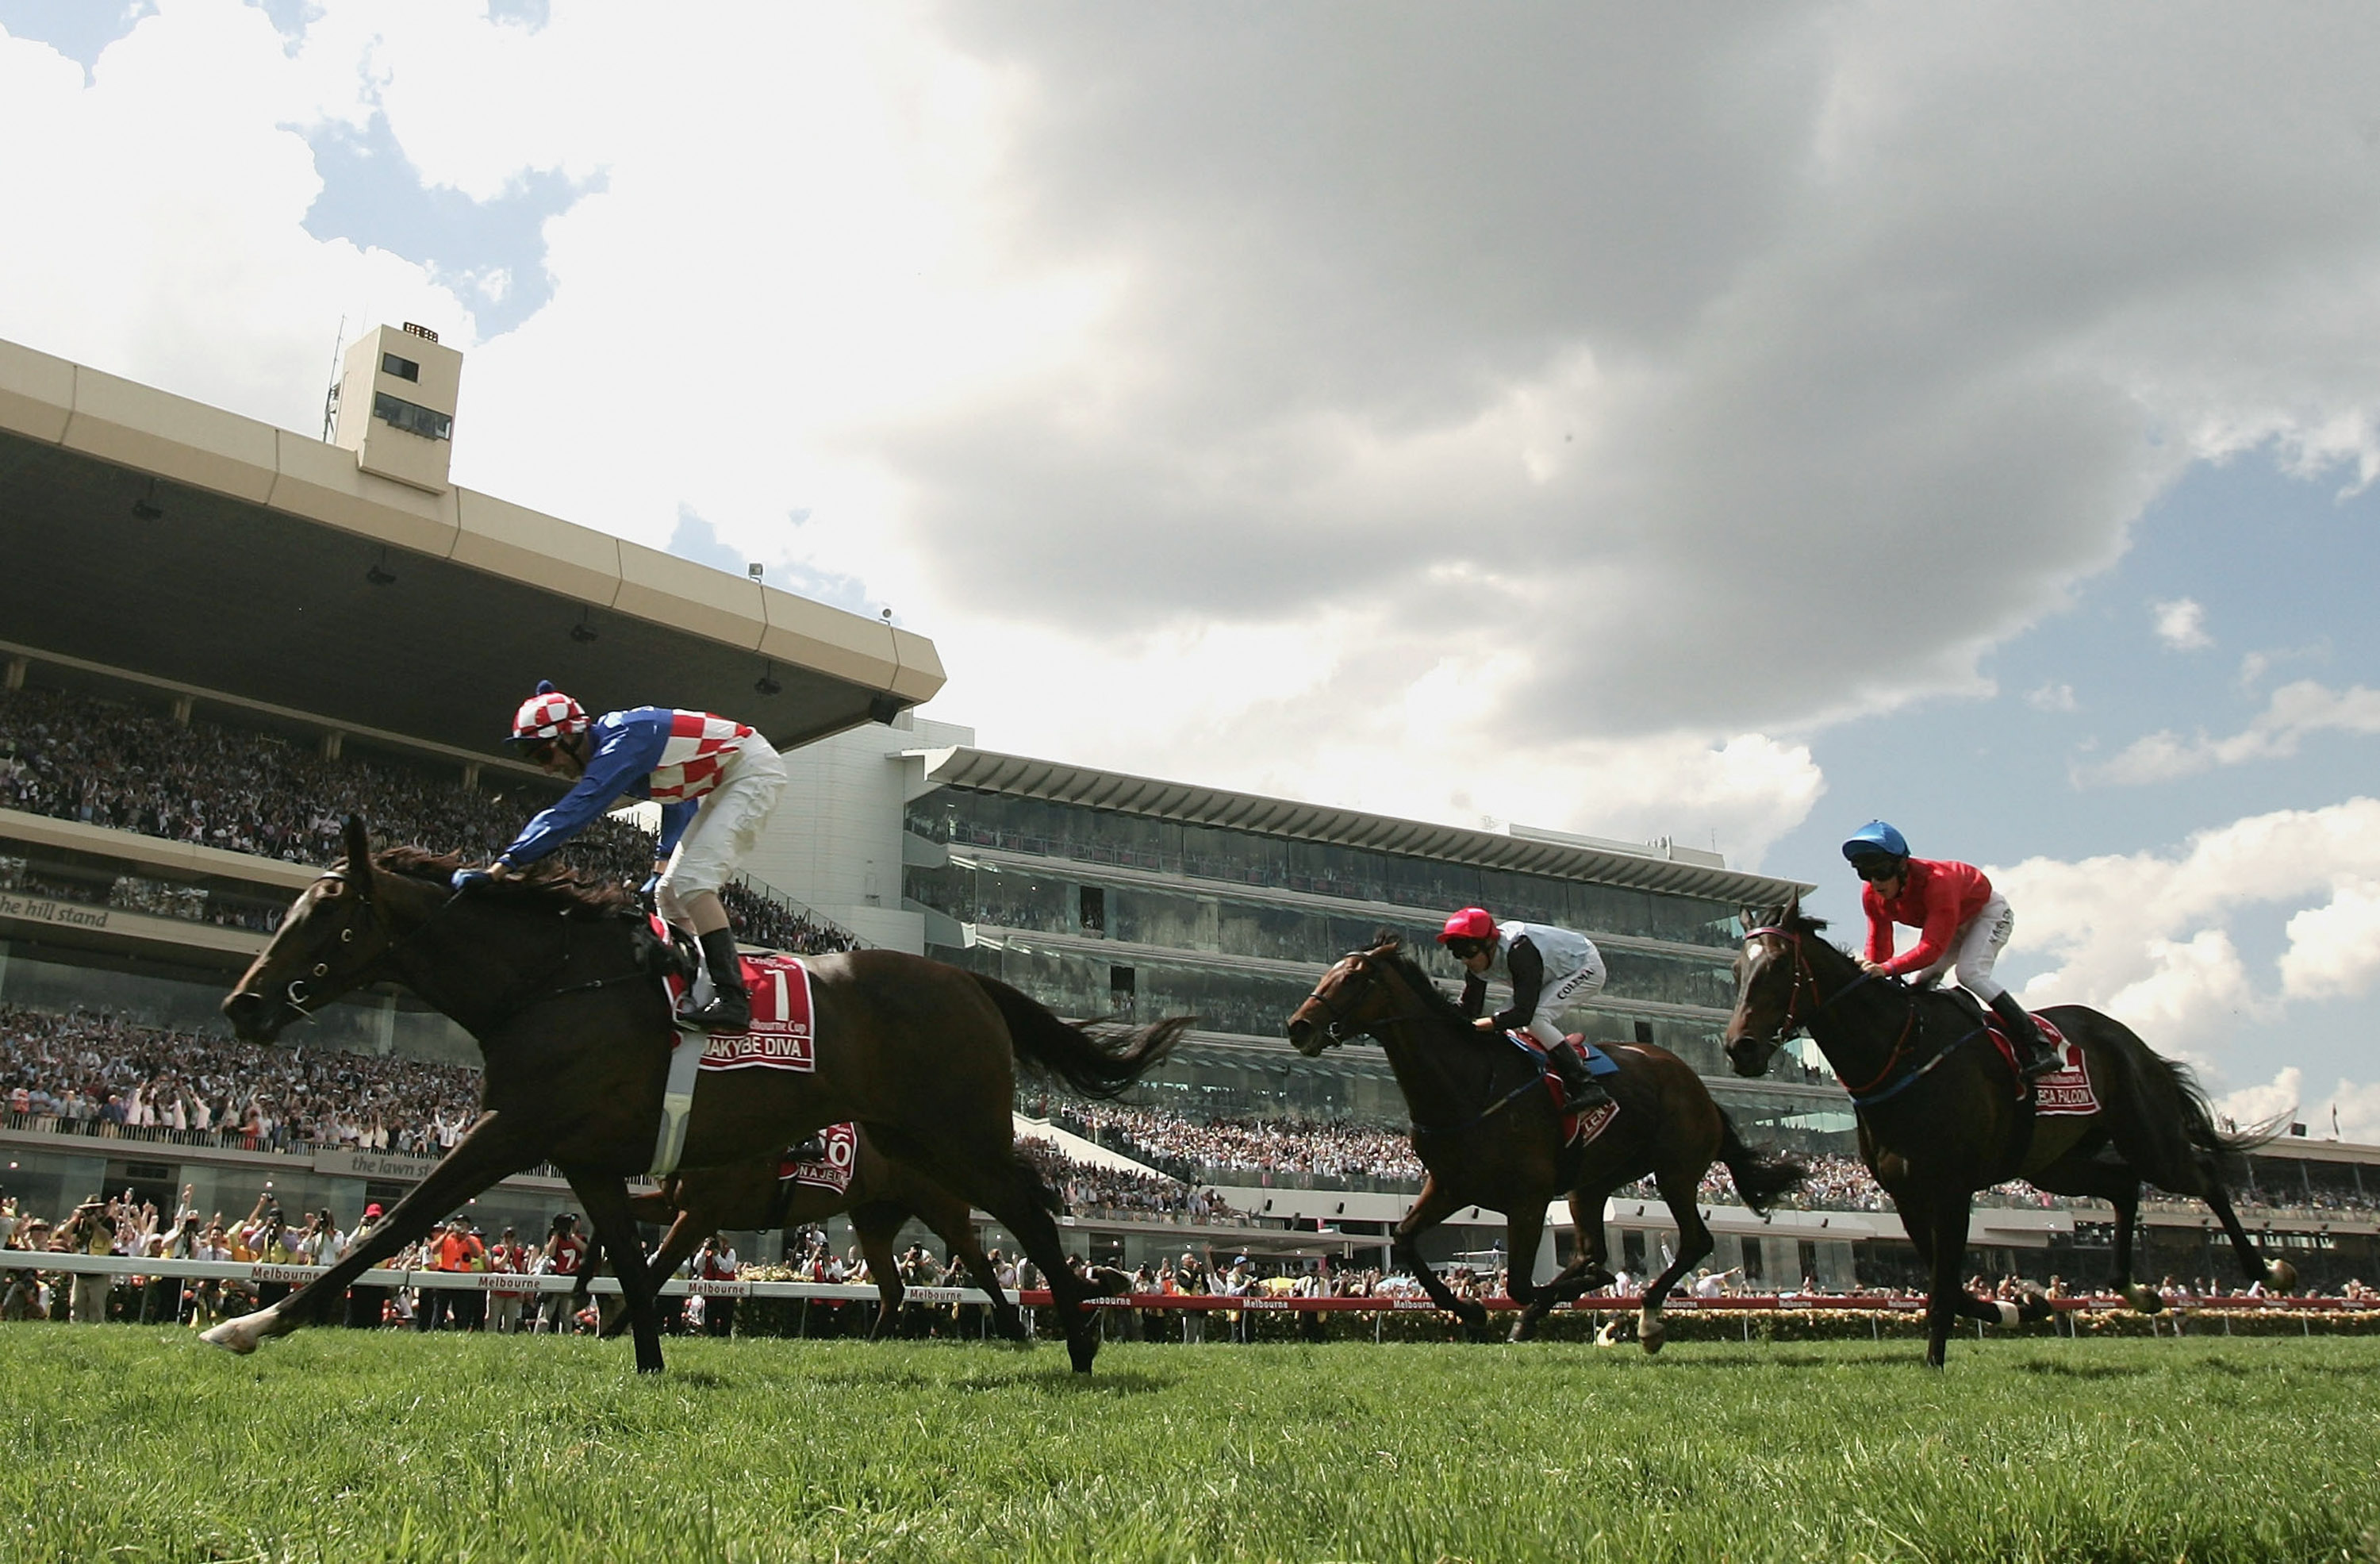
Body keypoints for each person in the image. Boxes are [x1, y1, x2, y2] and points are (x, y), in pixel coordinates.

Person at [455, 682, 789, 1032]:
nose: (548, 769)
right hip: (728, 778)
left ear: (569, 737)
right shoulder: (619, 741)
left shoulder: (622, 742)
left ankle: (733, 1000)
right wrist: (661, 863)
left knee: (694, 882)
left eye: (544, 755)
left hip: (752, 772)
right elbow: (680, 798)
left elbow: (576, 810)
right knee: (669, 894)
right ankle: (695, 984)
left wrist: (502, 867)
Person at [1839, 820, 2058, 1080]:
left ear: (1901, 866)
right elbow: (1879, 942)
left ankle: (2039, 1045)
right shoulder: (1871, 894)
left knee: (1970, 973)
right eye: (1865, 873)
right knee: (1920, 982)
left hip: (1986, 915)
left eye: (1881, 872)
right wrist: (1872, 974)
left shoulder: (1938, 883)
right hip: (1952, 924)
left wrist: (1886, 969)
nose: (1875, 882)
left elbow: (1931, 948)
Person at [1436, 907, 1610, 1112]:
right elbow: (1468, 1010)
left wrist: (1479, 1025)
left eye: (1469, 952)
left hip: (1583, 965)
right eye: (1458, 953)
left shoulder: (1520, 950)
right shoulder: (1478, 961)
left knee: (1535, 1018)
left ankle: (1586, 1085)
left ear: (1489, 943)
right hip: (1548, 973)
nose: (1465, 960)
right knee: (1500, 1017)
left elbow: (1523, 1015)